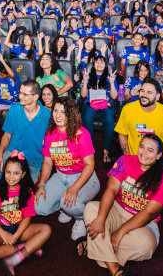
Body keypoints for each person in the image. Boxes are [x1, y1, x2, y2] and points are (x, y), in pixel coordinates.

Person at [80, 134, 163, 275]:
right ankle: (115, 269)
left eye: (150, 150)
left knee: (147, 246)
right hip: (117, 209)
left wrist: (121, 231)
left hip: (143, 222)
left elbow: (148, 214)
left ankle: (95, 245)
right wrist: (100, 218)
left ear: (159, 155)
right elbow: (111, 189)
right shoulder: (125, 160)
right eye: (142, 147)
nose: (144, 152)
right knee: (91, 208)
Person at [34, 97, 100, 241]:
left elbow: (90, 165)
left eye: (63, 112)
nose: (58, 115)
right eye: (56, 111)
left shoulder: (81, 134)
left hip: (84, 178)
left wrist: (75, 188)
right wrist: (42, 184)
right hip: (60, 176)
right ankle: (65, 206)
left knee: (69, 204)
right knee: (39, 207)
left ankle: (81, 218)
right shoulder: (50, 134)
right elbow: (47, 163)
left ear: (71, 114)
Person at [0, 152, 52, 276]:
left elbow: (27, 217)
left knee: (46, 229)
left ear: (23, 175)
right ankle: (28, 247)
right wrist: (3, 234)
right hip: (1, 229)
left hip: (21, 229)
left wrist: (16, 235)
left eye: (16, 173)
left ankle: (15, 259)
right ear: (4, 172)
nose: (11, 177)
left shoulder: (28, 192)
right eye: (8, 172)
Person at [0, 80, 51, 188]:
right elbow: (7, 135)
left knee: (27, 188)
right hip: (12, 152)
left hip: (33, 160)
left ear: (35, 97)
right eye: (20, 92)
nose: (20, 96)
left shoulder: (47, 115)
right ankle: (0, 199)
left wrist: (42, 170)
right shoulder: (15, 109)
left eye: (24, 94)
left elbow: (48, 148)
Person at [114, 80, 163, 173]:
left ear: (157, 96)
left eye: (149, 92)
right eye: (142, 91)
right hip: (135, 159)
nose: (144, 95)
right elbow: (122, 134)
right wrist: (128, 158)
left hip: (158, 161)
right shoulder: (128, 109)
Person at [80, 56, 119, 163]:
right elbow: (83, 95)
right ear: (94, 65)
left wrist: (111, 82)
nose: (99, 64)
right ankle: (89, 149)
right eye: (97, 62)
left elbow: (114, 97)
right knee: (87, 117)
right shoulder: (88, 76)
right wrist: (85, 81)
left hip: (105, 105)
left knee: (108, 118)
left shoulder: (109, 76)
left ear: (105, 65)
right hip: (90, 105)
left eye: (102, 62)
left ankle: (106, 149)